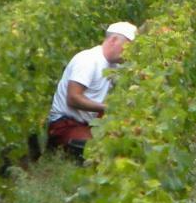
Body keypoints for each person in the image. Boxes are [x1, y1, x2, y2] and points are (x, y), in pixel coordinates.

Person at [47, 22, 137, 152]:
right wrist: (108, 107)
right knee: (100, 150)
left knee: (126, 140)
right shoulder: (88, 60)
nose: (129, 53)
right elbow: (73, 98)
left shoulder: (114, 65)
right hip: (66, 123)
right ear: (114, 40)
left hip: (90, 121)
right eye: (127, 47)